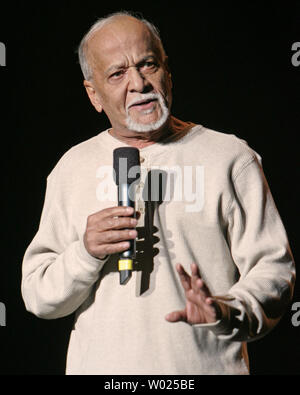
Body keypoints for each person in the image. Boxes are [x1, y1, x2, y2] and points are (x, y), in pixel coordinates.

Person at [21, 11, 295, 375]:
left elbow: (274, 271)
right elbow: (39, 295)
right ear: (94, 94)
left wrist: (226, 310)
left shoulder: (230, 158)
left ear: (167, 71)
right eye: (117, 73)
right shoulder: (72, 168)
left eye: (147, 65)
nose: (138, 83)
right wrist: (86, 253)